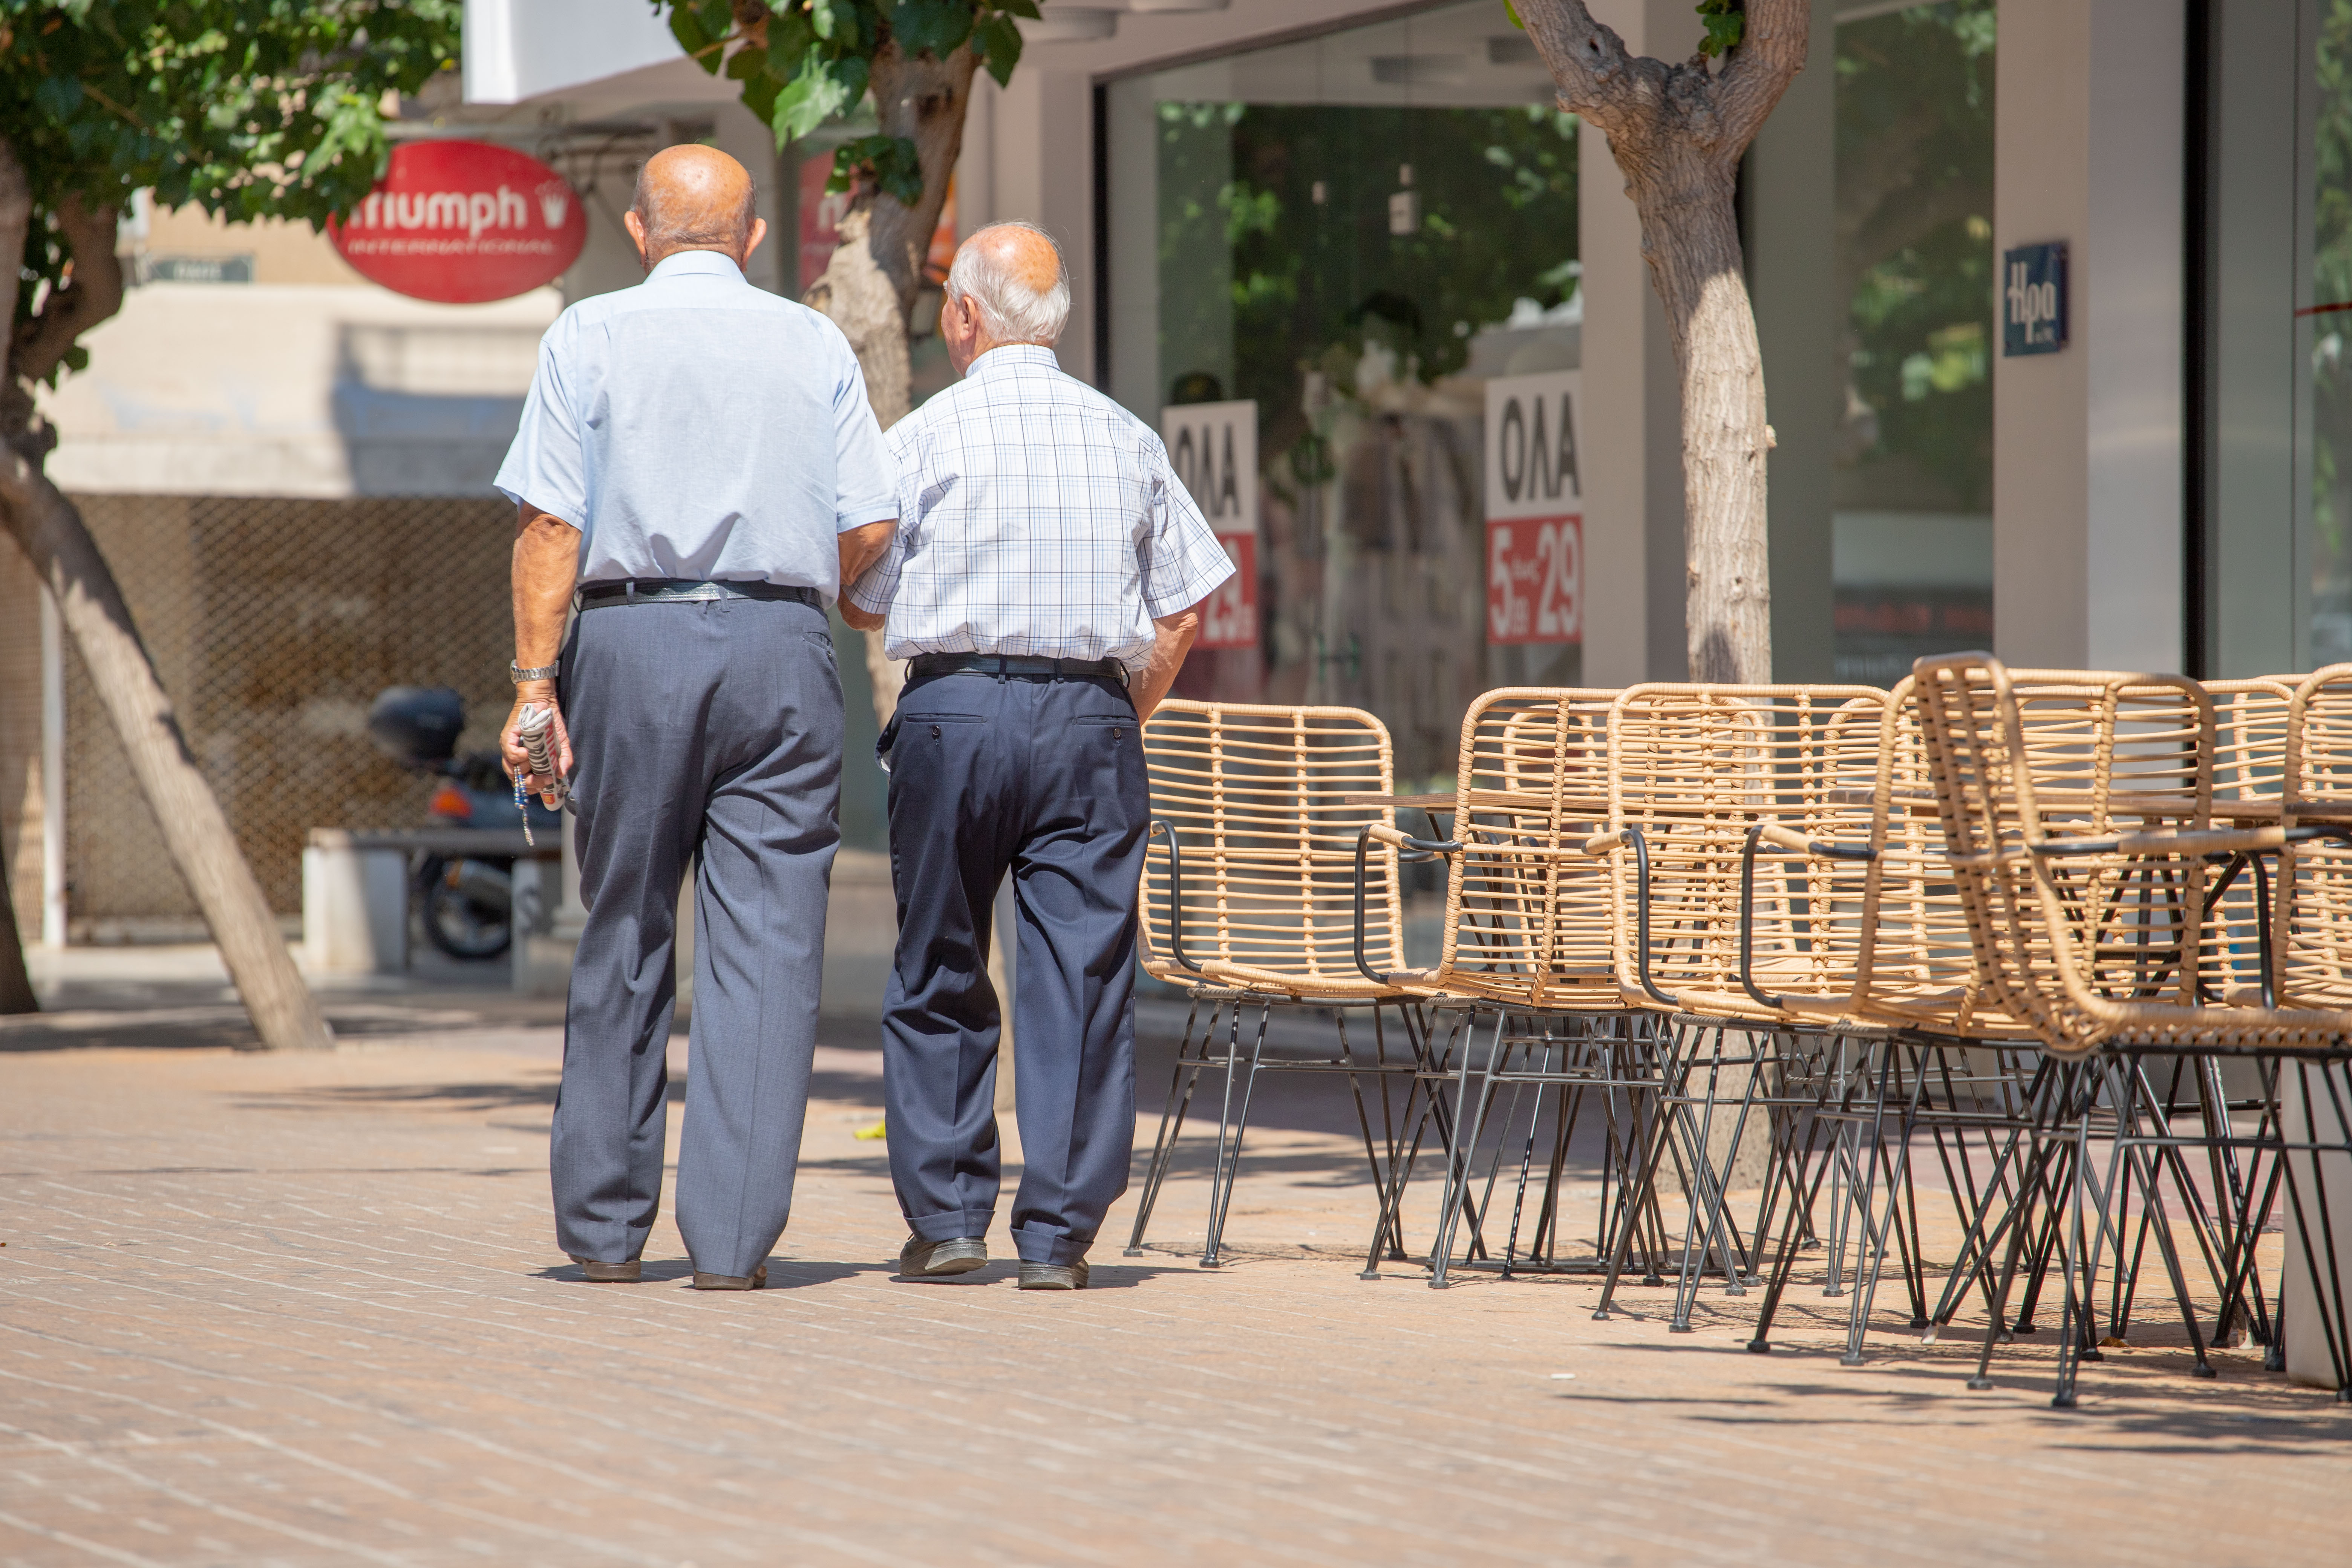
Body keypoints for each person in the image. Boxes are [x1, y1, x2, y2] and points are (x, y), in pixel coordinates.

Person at [496, 145, 897, 1290]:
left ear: (638, 232)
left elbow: (549, 530)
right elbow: (869, 524)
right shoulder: (813, 340)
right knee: (769, 949)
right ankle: (730, 1248)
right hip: (781, 647)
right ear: (754, 239)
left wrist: (536, 687)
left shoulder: (587, 334)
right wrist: (791, 573)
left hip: (630, 642)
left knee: (623, 921)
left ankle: (607, 1233)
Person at [841, 222, 1234, 1290]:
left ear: (966, 317)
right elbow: (1190, 601)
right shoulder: (1126, 437)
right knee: (1082, 977)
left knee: (939, 963)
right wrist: (1124, 706)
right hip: (1088, 722)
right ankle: (1057, 1237)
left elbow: (863, 600)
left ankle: (951, 1216)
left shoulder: (918, 438)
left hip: (954, 713)